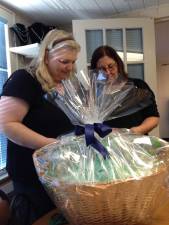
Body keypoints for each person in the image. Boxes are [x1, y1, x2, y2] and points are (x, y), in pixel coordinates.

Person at [0, 29, 80, 223]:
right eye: (64, 61)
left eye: (73, 61)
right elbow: (6, 124)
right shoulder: (24, 79)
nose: (70, 67)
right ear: (46, 56)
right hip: (32, 174)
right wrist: (49, 144)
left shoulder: (63, 84)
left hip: (58, 171)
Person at [90, 45, 159, 135]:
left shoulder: (138, 86)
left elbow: (153, 117)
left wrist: (136, 131)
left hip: (136, 142)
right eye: (102, 69)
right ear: (95, 71)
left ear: (118, 64)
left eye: (111, 66)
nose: (107, 72)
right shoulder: (93, 93)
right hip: (106, 145)